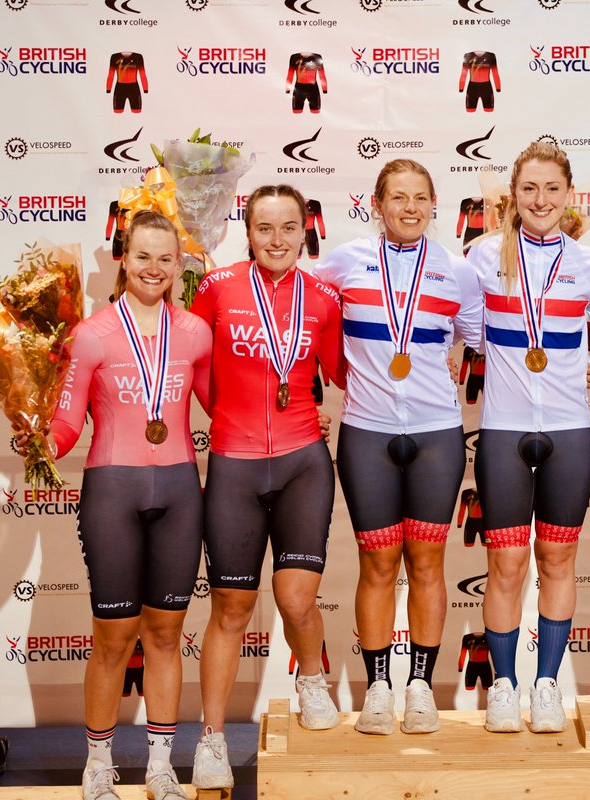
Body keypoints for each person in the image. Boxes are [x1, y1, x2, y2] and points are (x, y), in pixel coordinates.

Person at [21, 210, 212, 800]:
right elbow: (67, 420)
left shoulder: (195, 333)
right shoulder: (92, 333)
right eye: (143, 257)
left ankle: (161, 765)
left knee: (166, 632)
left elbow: (223, 407)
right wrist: (40, 440)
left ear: (179, 266)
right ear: (122, 260)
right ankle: (98, 763)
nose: (154, 268)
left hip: (180, 490)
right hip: (112, 492)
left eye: (165, 258)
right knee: (112, 635)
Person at [467, 140, 590, 734]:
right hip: (503, 432)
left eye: (551, 189)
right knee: (506, 564)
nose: (540, 200)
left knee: (559, 558)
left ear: (569, 196)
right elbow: (460, 329)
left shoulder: (588, 265)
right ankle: (504, 688)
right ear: (512, 197)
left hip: (568, 432)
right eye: (529, 189)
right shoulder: (482, 256)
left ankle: (545, 685)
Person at [312, 159, 483, 736]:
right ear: (376, 204)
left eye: (420, 198)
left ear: (434, 204)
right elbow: (296, 313)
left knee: (428, 563)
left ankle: (421, 689)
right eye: (398, 198)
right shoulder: (344, 261)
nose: (410, 208)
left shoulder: (456, 271)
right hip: (367, 433)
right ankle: (379, 687)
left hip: (436, 433)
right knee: (377, 564)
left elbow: (489, 341)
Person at [188, 185, 346, 791]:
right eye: (263, 228)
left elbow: (339, 369)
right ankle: (211, 739)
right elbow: (189, 363)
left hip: (305, 459)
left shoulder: (324, 297)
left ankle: (312, 679)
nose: (276, 239)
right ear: (246, 231)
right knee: (230, 607)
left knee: (298, 599)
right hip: (234, 463)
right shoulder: (217, 288)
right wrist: (226, 414)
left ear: (306, 230)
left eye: (288, 227)